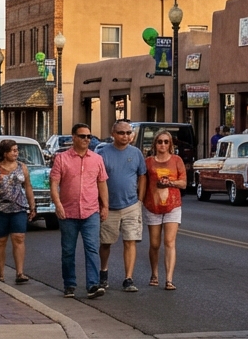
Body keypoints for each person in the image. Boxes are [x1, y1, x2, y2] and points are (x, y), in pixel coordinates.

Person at [50, 123, 109, 299]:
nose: (86, 140)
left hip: (91, 211)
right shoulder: (61, 158)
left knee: (92, 248)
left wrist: (105, 205)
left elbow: (102, 183)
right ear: (73, 137)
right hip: (68, 212)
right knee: (68, 250)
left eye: (89, 137)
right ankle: (69, 284)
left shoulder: (97, 159)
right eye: (82, 136)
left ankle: (93, 285)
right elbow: (54, 184)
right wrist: (58, 205)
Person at [99, 119, 147, 293]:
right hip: (109, 206)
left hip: (131, 205)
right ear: (113, 134)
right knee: (106, 242)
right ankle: (103, 273)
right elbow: (98, 179)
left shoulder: (136, 153)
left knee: (130, 241)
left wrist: (140, 198)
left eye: (128, 133)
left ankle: (128, 278)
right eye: (121, 133)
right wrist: (101, 203)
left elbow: (142, 175)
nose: (125, 136)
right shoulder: (103, 153)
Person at [0, 139, 36, 284]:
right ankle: (1, 274)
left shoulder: (22, 167)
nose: (16, 153)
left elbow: (28, 186)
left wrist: (32, 205)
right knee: (0, 240)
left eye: (17, 150)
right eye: (13, 150)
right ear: (5, 153)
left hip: (18, 208)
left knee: (19, 237)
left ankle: (20, 273)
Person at [144, 130, 186, 290]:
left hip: (173, 205)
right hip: (152, 206)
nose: (163, 144)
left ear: (170, 144)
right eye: (160, 141)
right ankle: (154, 274)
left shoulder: (176, 160)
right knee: (154, 244)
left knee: (169, 242)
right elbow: (143, 182)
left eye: (166, 142)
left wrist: (171, 183)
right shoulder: (148, 162)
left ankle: (169, 279)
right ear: (155, 144)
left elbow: (183, 183)